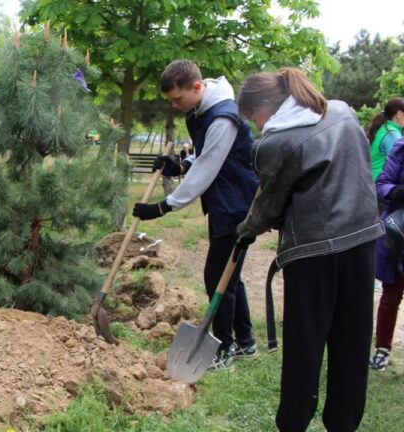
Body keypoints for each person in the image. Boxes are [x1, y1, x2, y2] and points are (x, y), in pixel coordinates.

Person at [236, 68, 382, 432]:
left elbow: (268, 206)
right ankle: (343, 424)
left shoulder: (275, 144)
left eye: (253, 117)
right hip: (363, 241)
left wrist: (245, 231)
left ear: (266, 106)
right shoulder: (343, 112)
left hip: (313, 255)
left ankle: (293, 424)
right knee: (353, 341)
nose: (255, 126)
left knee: (304, 345)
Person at [133, 60, 259, 370]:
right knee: (230, 275)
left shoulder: (223, 118)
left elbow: (207, 168)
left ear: (197, 87)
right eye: (171, 101)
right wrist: (178, 166)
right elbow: (203, 156)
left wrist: (164, 206)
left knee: (218, 277)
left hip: (237, 204)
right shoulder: (201, 111)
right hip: (225, 200)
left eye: (178, 99)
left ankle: (224, 348)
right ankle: (246, 342)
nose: (175, 106)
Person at [371, 135, 404, 371]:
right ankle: (382, 348)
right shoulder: (401, 147)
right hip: (400, 235)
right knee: (391, 295)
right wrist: (396, 193)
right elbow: (381, 184)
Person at [367, 97, 404, 181]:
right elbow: (399, 164)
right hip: (379, 184)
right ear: (399, 114)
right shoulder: (392, 134)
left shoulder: (384, 128)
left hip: (372, 181)